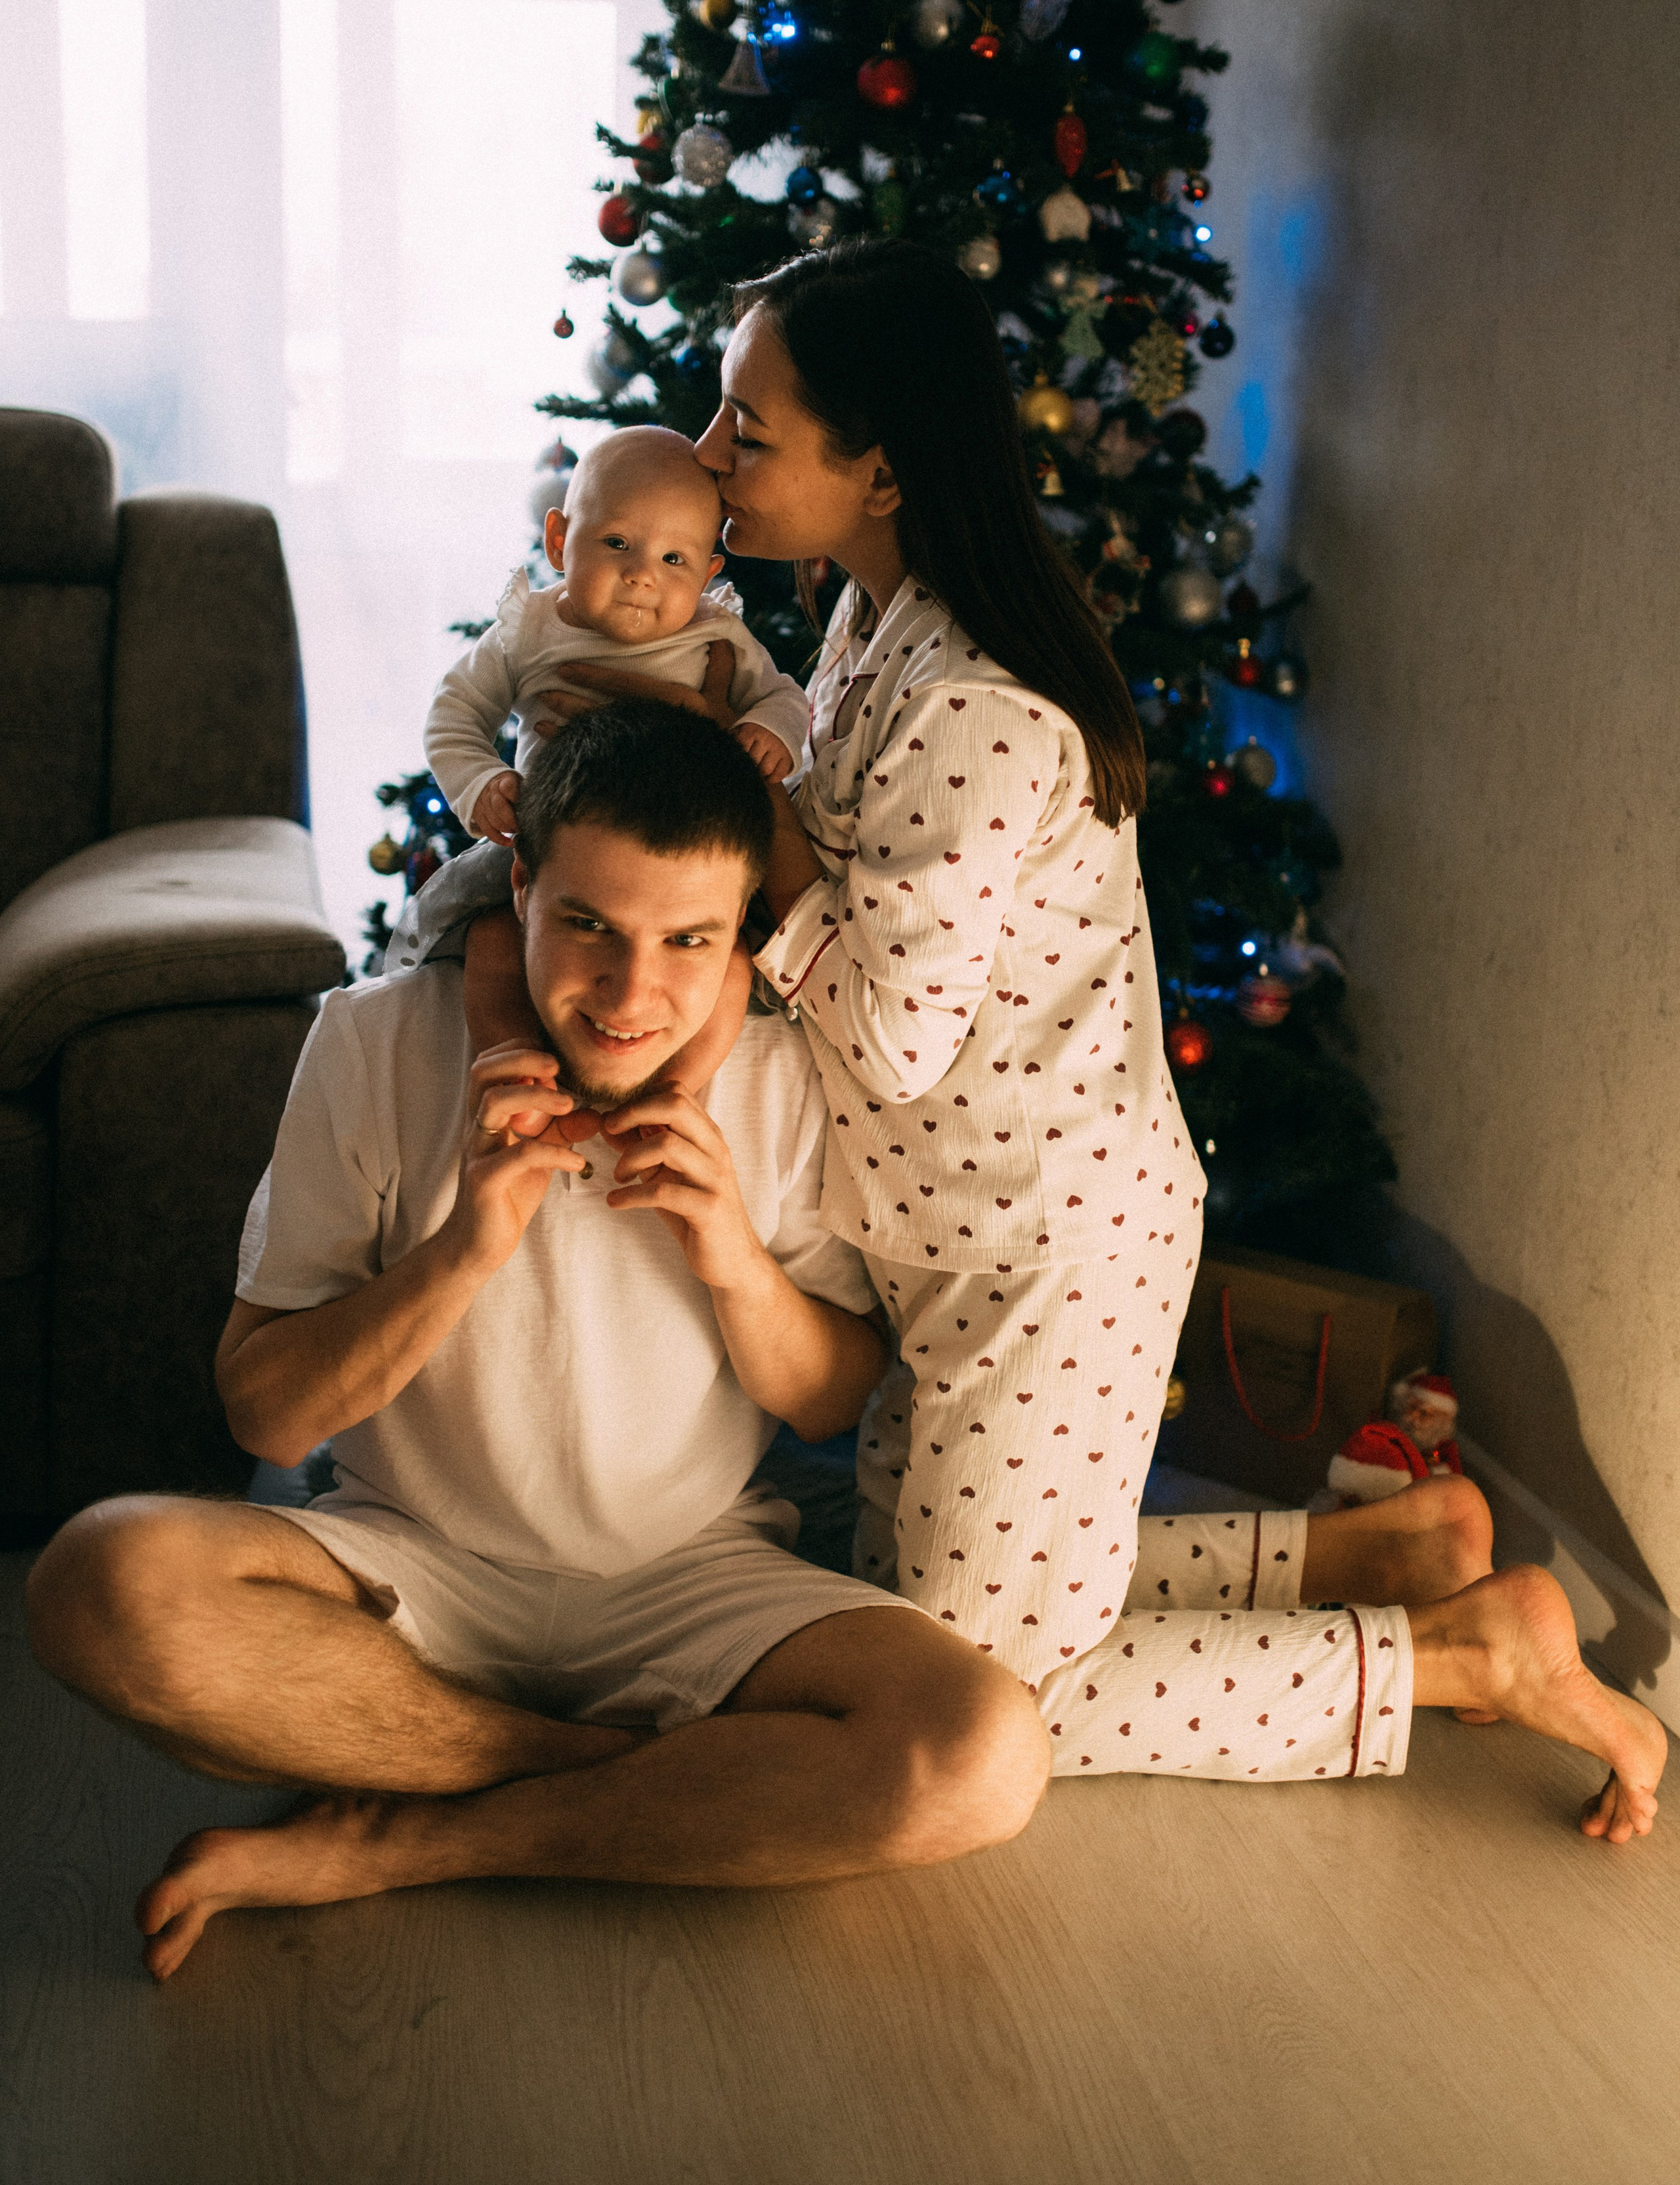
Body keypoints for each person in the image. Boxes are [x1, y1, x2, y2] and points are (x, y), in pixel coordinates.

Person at [533, 240, 1664, 1836]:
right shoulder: (867, 631)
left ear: (879, 469)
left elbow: (890, 1029)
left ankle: (1460, 1657)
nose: (710, 459)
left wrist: (755, 811)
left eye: (747, 430)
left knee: (982, 1691)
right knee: (896, 1594)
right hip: (934, 1237)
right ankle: (1368, 1555)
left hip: (1042, 1252)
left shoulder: (979, 707)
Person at [25, 705, 1053, 1983]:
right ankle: (600, 1776)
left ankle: (409, 1837)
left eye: (690, 941)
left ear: (741, 934)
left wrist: (732, 1252)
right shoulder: (370, 1039)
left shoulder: (785, 1078)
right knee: (98, 1581)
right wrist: (460, 1249)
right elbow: (267, 1416)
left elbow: (831, 1403)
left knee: (979, 1753)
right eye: (588, 928)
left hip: (691, 1576)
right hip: (410, 1563)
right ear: (517, 888)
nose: (633, 996)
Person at [425, 425, 808, 849]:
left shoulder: (715, 634)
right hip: (556, 846)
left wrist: (768, 727)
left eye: (674, 558)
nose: (642, 575)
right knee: (456, 901)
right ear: (558, 542)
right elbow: (455, 712)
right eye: (617, 542)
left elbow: (783, 696)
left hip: (688, 847)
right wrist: (480, 781)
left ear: (705, 577)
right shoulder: (527, 629)